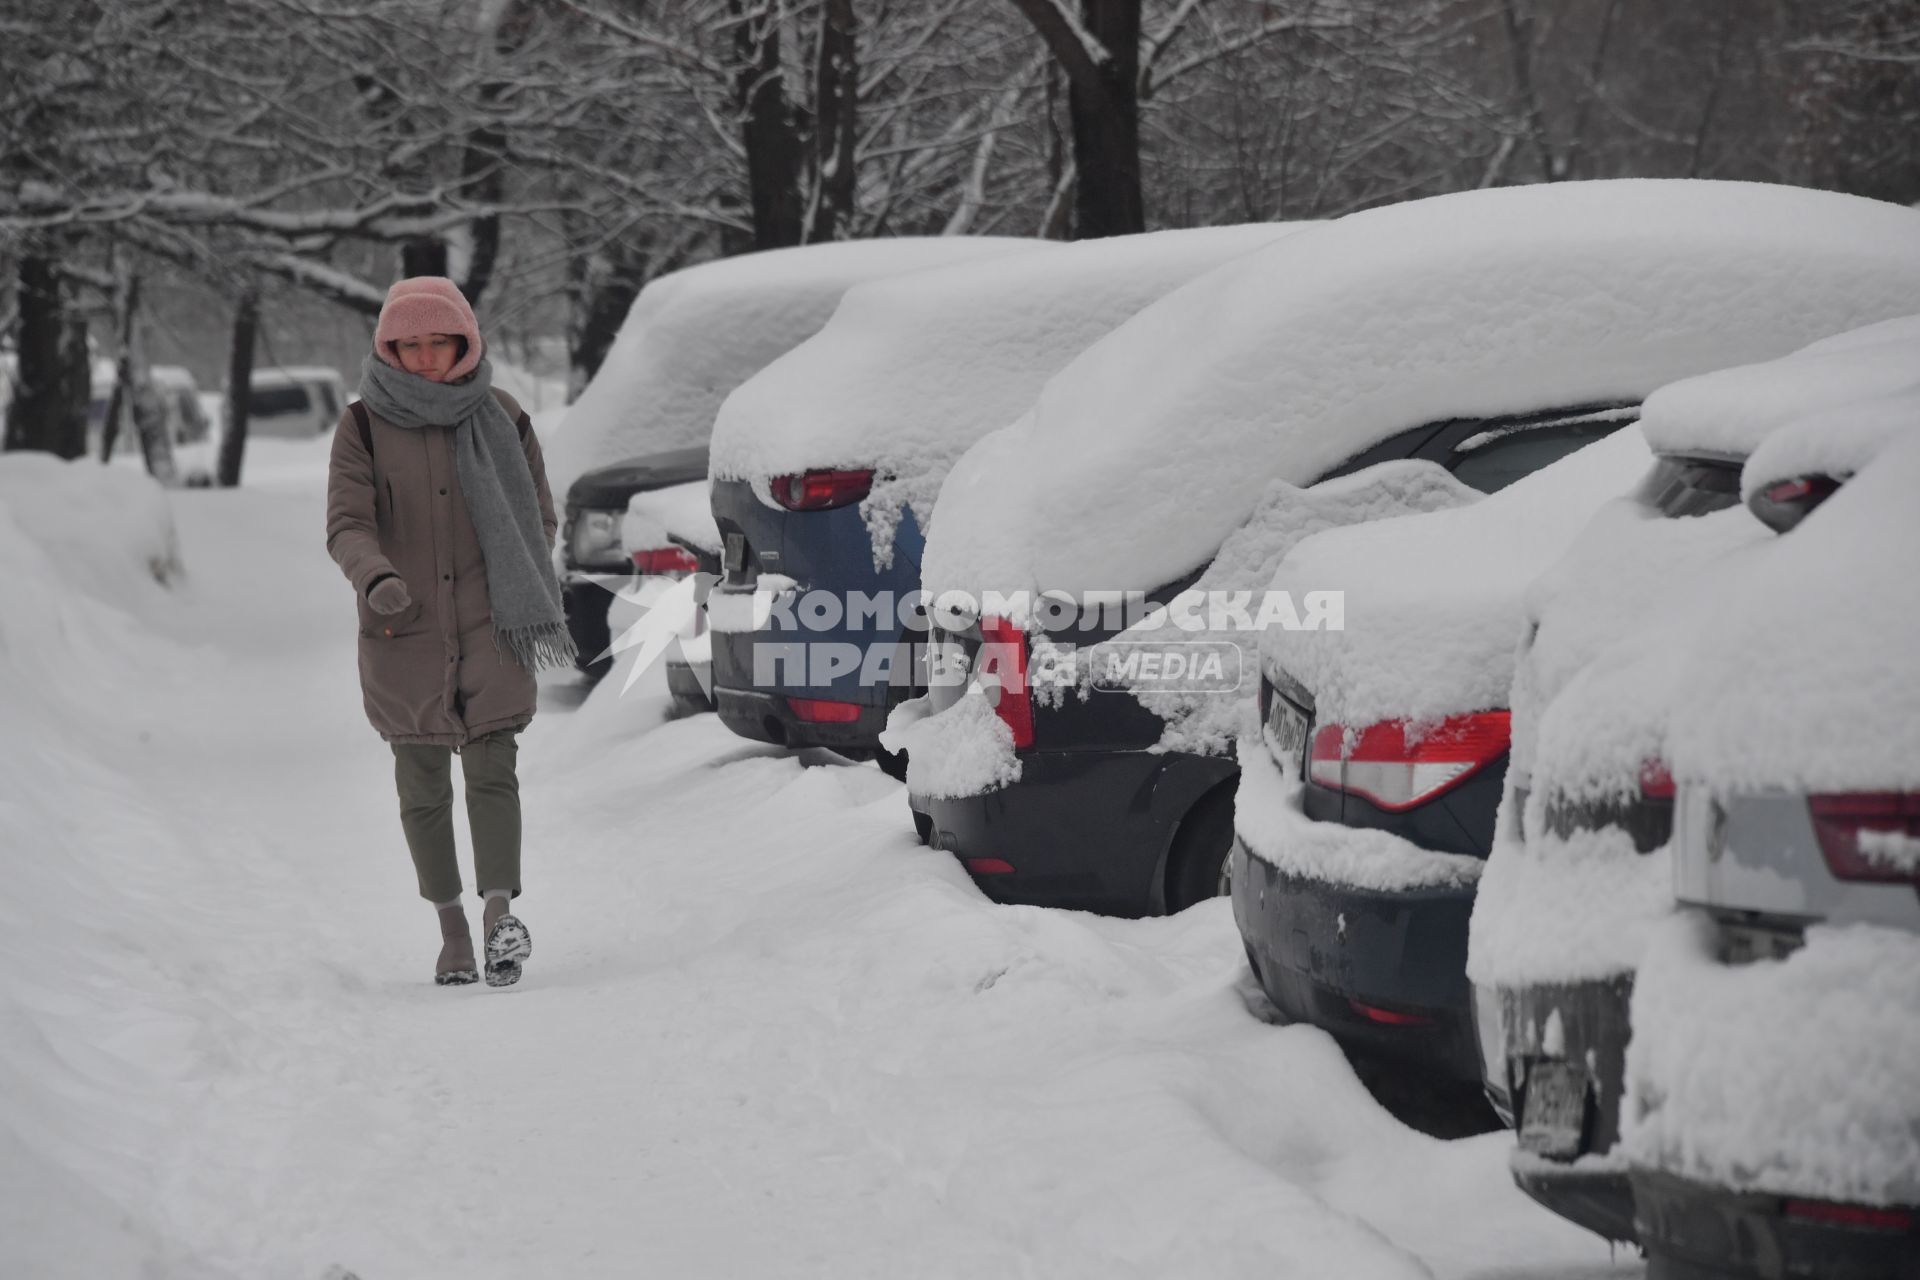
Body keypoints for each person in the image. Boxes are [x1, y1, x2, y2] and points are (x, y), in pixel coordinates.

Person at [324, 277, 575, 988]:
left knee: (494, 766)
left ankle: (500, 917)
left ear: (465, 341)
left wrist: (517, 584)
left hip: (495, 624)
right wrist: (374, 579)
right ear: (389, 347)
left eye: (439, 342)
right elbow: (348, 523)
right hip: (403, 631)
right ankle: (452, 930)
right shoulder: (364, 426)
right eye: (410, 345)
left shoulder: (502, 415)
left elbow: (538, 518)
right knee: (422, 782)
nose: (426, 357)